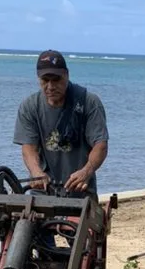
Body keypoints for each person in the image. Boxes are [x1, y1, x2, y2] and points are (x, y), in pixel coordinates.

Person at [13, 50, 109, 203]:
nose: (50, 86)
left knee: (87, 217)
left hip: (80, 190)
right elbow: (28, 148)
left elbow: (100, 145)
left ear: (67, 75)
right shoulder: (29, 106)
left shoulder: (89, 102)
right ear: (38, 78)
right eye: (45, 80)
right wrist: (36, 171)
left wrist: (87, 171)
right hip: (42, 191)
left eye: (56, 80)